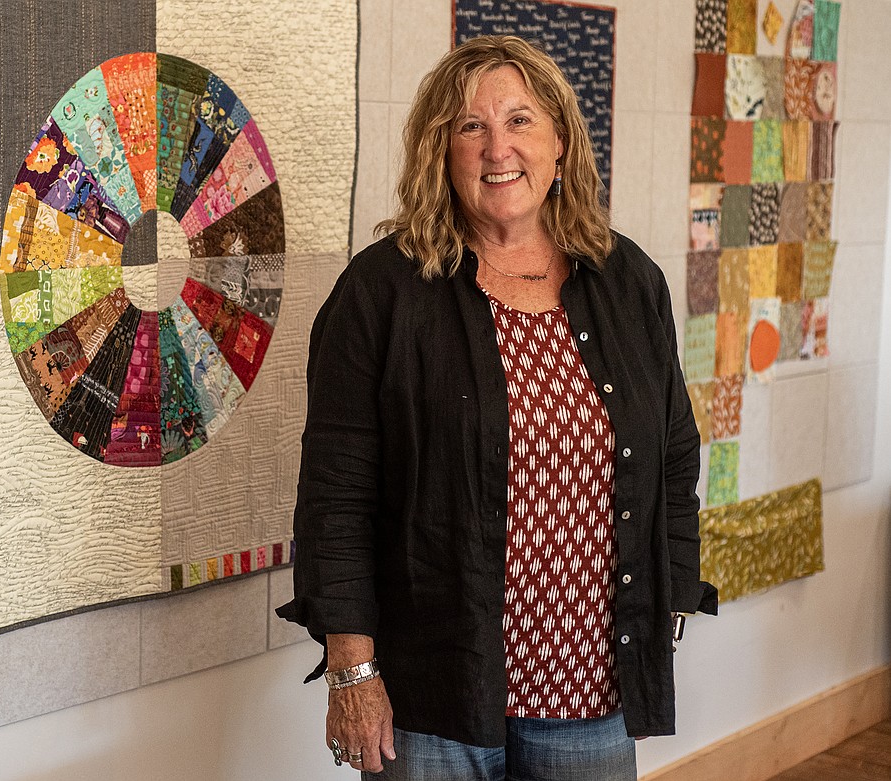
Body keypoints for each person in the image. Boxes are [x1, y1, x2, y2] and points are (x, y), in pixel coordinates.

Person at [275, 34, 718, 780]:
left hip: (591, 692)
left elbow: (674, 450)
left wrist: (664, 604)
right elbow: (335, 498)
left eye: (519, 120)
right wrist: (353, 671)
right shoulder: (381, 293)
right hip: (433, 696)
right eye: (470, 126)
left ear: (559, 142)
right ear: (439, 152)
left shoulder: (628, 281)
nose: (497, 147)